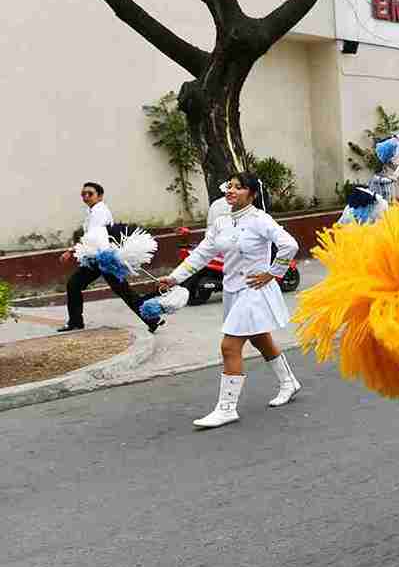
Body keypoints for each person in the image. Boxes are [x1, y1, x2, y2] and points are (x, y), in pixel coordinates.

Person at [158, 173, 301, 429]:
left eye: (239, 187)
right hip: (232, 290)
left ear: (252, 194)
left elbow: (289, 245)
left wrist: (272, 273)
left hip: (254, 290)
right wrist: (175, 278)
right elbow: (202, 254)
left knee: (229, 346)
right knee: (260, 339)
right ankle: (289, 382)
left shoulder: (260, 220)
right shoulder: (222, 222)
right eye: (230, 186)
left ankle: (226, 409)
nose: (232, 191)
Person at [58, 182, 161, 334]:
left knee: (120, 290)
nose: (86, 197)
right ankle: (75, 322)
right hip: (97, 257)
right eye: (83, 194)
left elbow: (93, 236)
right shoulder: (92, 211)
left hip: (104, 258)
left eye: (90, 194)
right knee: (76, 285)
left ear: (99, 196)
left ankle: (152, 318)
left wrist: (70, 251)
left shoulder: (99, 211)